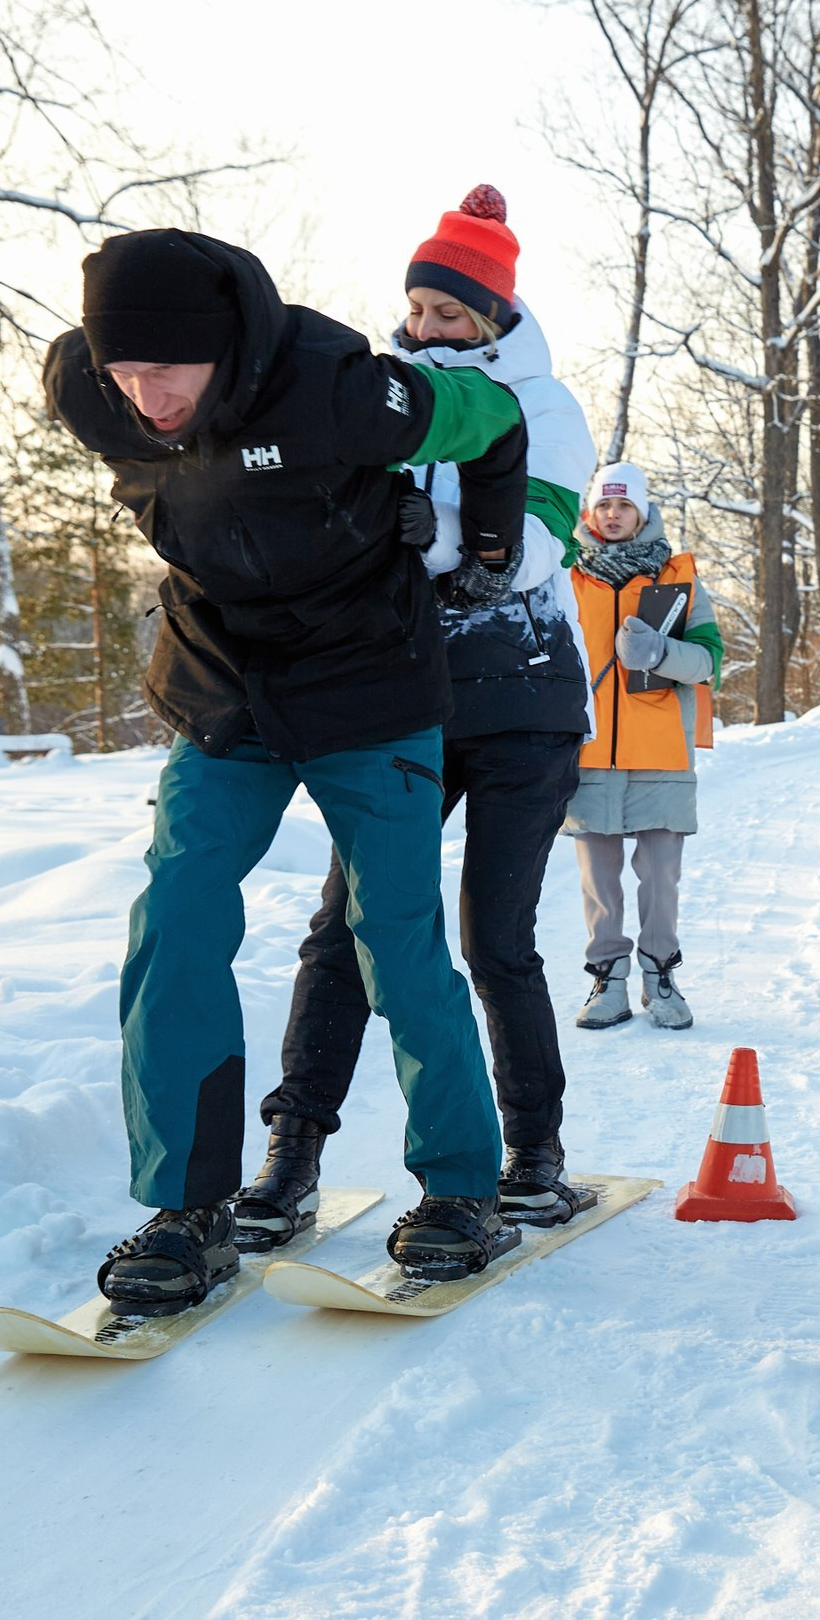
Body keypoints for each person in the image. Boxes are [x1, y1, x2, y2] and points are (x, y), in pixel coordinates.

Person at [46, 227, 536, 1302]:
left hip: (368, 684)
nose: (145, 397)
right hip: (226, 682)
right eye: (122, 372)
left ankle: (461, 1189)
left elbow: (496, 421)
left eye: (165, 371)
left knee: (393, 934)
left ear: (222, 347)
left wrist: (484, 545)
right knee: (173, 914)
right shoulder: (88, 391)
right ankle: (188, 1208)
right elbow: (126, 398)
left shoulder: (338, 389)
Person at [237, 185, 608, 1246]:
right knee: (344, 930)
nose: (429, 327)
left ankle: (532, 1152)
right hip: (406, 701)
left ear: (492, 316)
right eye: (418, 308)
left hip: (527, 700)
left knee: (494, 939)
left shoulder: (547, 410)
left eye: (451, 313)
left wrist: (433, 527)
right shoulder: (386, 401)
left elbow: (533, 551)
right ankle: (291, 1154)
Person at [566, 461, 721, 1031]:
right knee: (599, 883)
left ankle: (661, 977)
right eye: (604, 505)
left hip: (661, 750)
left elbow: (709, 661)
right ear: (590, 511)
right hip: (587, 750)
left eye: (624, 505)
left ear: (643, 512)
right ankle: (609, 981)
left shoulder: (677, 578)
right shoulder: (565, 575)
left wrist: (660, 654)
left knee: (660, 877)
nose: (612, 515)